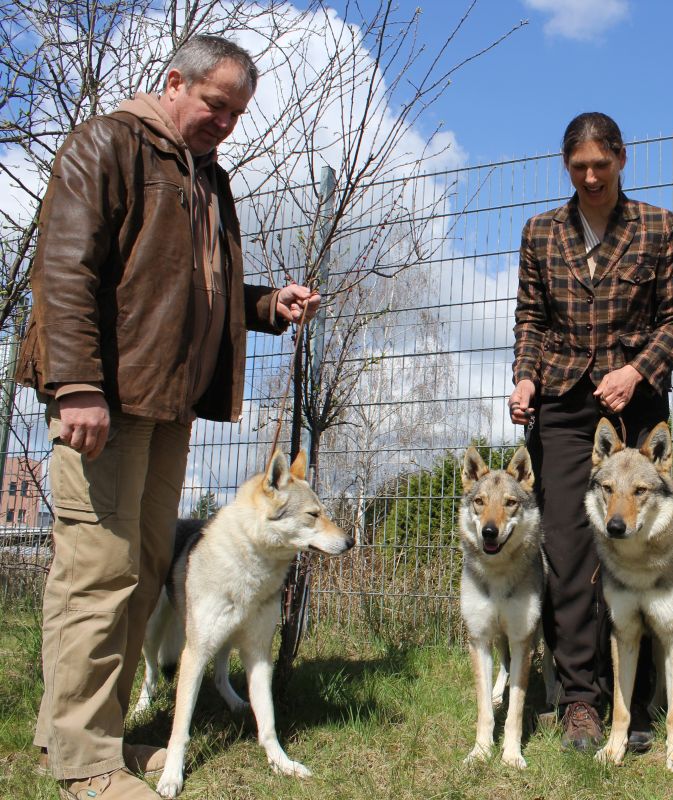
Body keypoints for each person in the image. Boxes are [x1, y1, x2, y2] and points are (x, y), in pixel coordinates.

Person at [18, 35, 320, 800]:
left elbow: (190, 289)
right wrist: (78, 383)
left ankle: (98, 736)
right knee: (97, 572)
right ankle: (82, 760)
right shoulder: (108, 145)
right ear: (174, 82)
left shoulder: (205, 176)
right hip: (105, 401)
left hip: (165, 405)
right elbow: (64, 267)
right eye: (217, 105)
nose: (226, 123)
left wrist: (265, 307)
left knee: (145, 572)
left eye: (237, 113)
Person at [509, 112, 673, 752]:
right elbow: (530, 319)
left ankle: (636, 706)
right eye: (578, 166)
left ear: (621, 158)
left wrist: (638, 371)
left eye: (601, 165)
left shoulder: (658, 227)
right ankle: (580, 701)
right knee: (566, 548)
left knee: (638, 547)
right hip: (560, 403)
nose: (590, 177)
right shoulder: (539, 232)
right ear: (566, 165)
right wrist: (525, 378)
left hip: (634, 403)